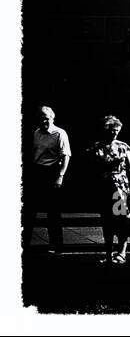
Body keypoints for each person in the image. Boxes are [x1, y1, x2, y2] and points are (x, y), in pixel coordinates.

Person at [88, 116, 130, 265]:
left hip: (120, 189)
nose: (115, 133)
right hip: (104, 188)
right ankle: (108, 254)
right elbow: (91, 168)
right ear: (106, 130)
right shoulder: (97, 147)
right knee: (107, 221)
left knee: (122, 220)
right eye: (112, 131)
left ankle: (121, 253)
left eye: (117, 131)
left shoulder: (123, 147)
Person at [23, 105, 71, 253]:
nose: (44, 121)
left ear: (52, 118)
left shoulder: (60, 133)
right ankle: (24, 244)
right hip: (37, 171)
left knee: (53, 212)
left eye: (46, 118)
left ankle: (57, 246)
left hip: (52, 172)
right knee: (29, 211)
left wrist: (60, 176)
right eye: (41, 118)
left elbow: (66, 155)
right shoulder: (36, 133)